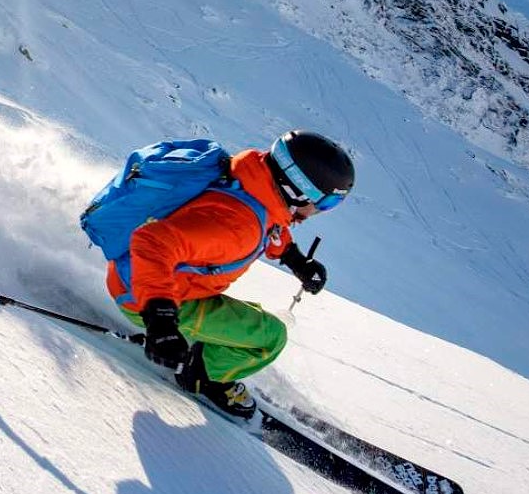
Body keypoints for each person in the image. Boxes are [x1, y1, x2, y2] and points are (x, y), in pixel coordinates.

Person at [106, 130, 355, 419]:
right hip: (150, 299)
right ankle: (203, 375)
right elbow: (152, 241)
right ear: (298, 190)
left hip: (136, 280)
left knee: (250, 316)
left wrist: (294, 258)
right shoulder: (239, 228)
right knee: (271, 337)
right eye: (324, 203)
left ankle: (201, 346)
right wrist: (160, 320)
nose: (321, 211)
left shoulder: (249, 180)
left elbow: (268, 222)